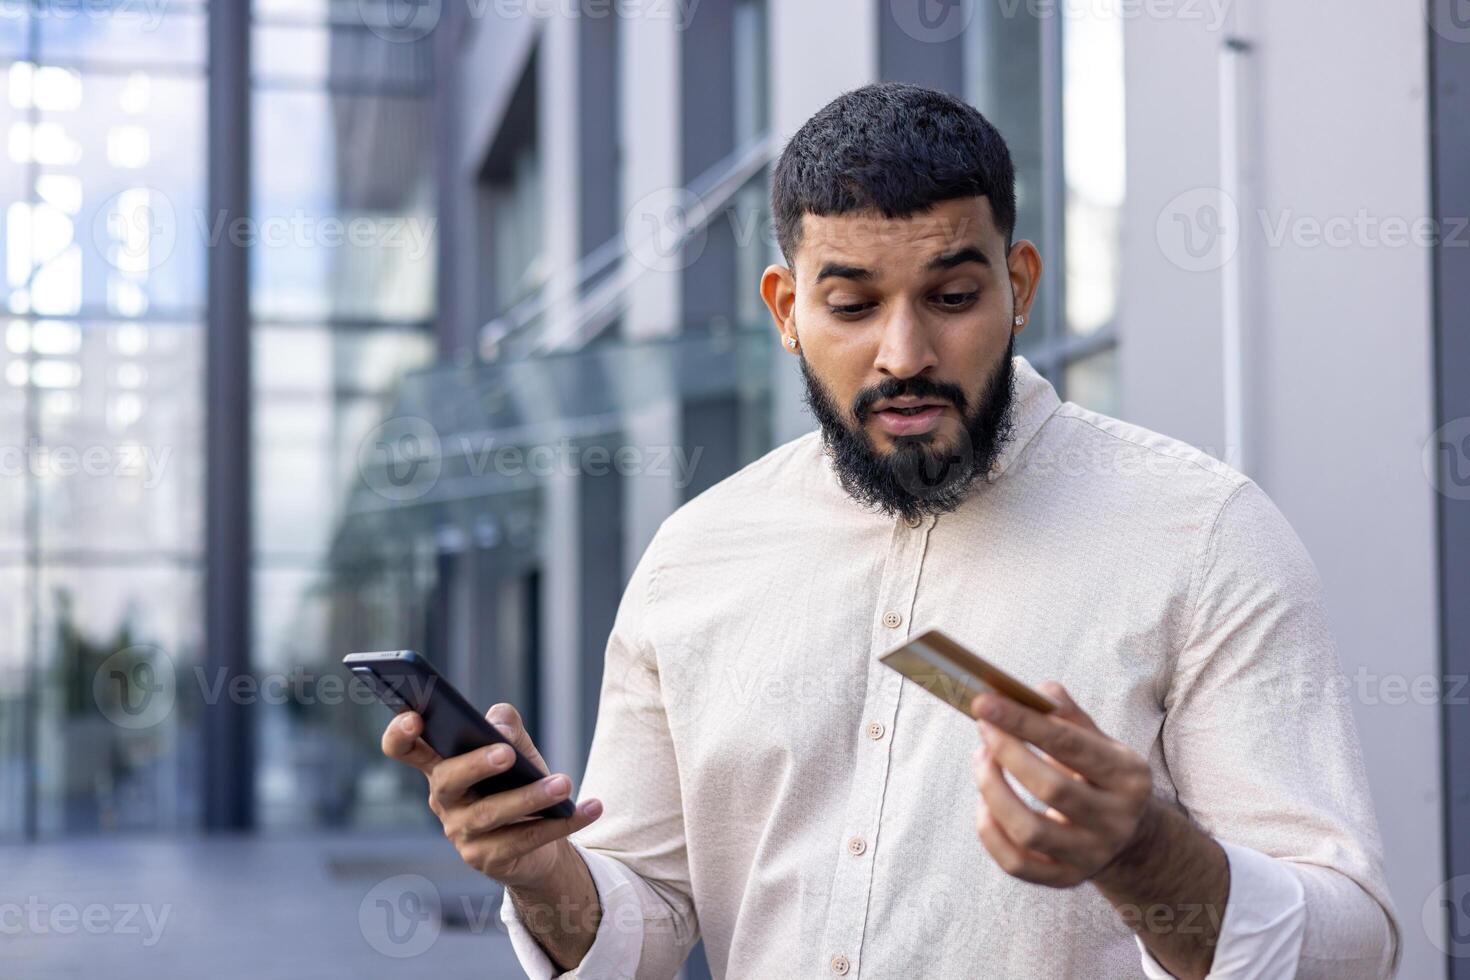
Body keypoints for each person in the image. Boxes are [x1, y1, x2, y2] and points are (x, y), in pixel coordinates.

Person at [381, 81, 1399, 979]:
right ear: (785, 308)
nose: (904, 352)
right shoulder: (693, 558)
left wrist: (1143, 850)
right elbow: (642, 926)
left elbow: (1353, 942)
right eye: (852, 304)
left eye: (952, 297)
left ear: (1021, 288)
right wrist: (540, 866)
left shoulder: (1202, 532)